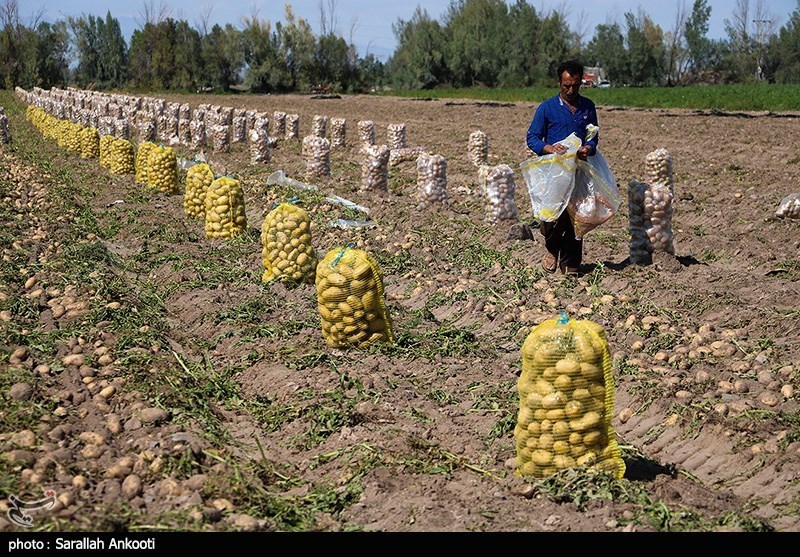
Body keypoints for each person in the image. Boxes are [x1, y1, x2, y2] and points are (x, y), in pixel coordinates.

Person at [526, 60, 598, 276]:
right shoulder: (547, 108)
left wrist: (588, 148)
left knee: (576, 217)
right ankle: (551, 247)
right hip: (554, 171)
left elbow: (593, 137)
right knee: (551, 217)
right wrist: (547, 147)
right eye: (566, 85)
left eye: (575, 85)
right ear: (559, 82)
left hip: (578, 169)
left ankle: (571, 262)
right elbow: (532, 137)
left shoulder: (588, 107)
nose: (571, 90)